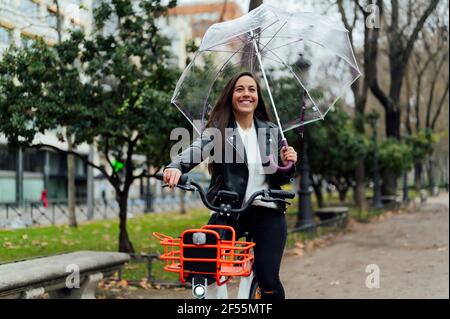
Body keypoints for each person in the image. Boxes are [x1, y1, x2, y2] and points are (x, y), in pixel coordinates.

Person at [163, 71, 298, 300]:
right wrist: (176, 166)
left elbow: (280, 177)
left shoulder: (271, 131)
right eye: (240, 89)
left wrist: (287, 164)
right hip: (229, 210)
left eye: (252, 89)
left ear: (257, 96)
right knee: (203, 266)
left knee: (268, 279)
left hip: (267, 210)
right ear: (231, 96)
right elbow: (196, 149)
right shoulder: (219, 129)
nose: (246, 94)